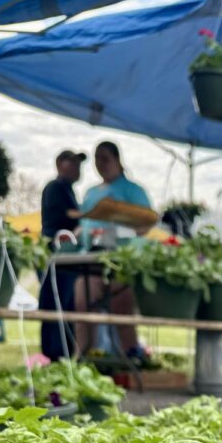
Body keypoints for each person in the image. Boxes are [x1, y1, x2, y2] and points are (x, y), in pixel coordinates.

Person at [74, 141, 155, 356]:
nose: (100, 163)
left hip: (122, 258)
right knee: (83, 307)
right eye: (97, 159)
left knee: (122, 313)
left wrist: (121, 232)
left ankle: (129, 361)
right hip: (91, 258)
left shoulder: (133, 190)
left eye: (105, 158)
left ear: (117, 160)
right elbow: (84, 224)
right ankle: (81, 358)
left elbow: (146, 224)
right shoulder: (91, 193)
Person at [38, 148, 85, 360]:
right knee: (55, 302)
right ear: (60, 164)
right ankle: (55, 353)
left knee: (65, 303)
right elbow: (71, 216)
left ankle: (64, 351)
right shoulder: (55, 187)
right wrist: (94, 215)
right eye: (72, 163)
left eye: (79, 164)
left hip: (65, 256)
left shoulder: (68, 190)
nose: (77, 169)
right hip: (56, 254)